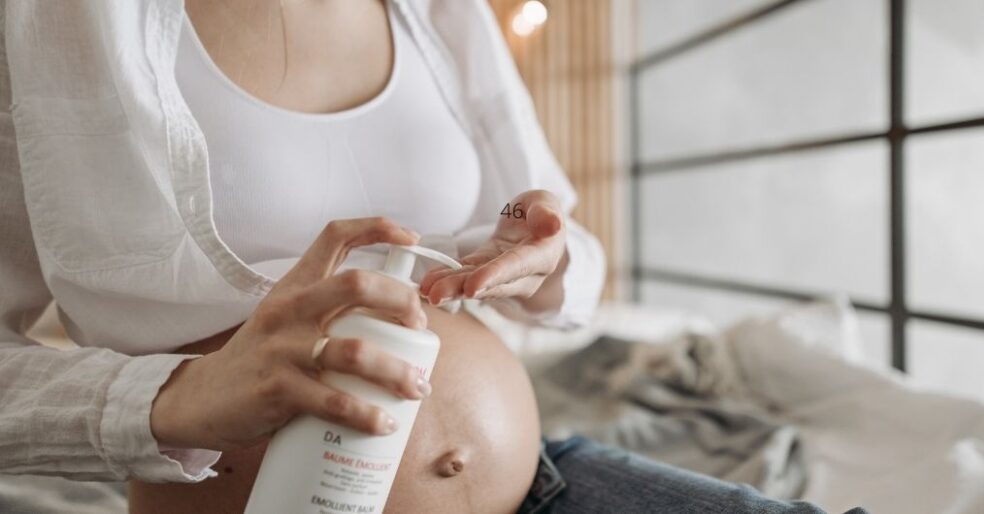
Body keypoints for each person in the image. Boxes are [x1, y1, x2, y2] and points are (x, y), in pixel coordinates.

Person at [0, 1, 865, 512]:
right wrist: (175, 396)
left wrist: (542, 255)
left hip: (535, 485)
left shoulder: (441, 11)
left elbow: (565, 240)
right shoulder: (46, 29)